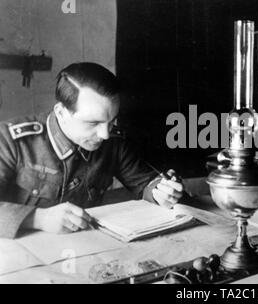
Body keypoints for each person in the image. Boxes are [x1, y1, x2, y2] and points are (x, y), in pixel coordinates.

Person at [0, 62, 184, 239]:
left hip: (85, 250)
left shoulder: (113, 142)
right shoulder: (11, 140)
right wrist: (38, 218)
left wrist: (162, 192)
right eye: (93, 123)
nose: (104, 134)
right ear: (61, 112)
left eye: (111, 121)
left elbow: (145, 184)